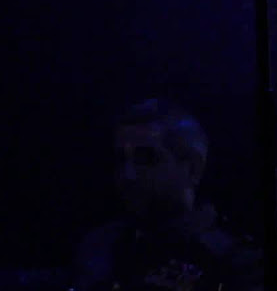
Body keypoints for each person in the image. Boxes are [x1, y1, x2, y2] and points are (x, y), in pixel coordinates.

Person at [70, 98, 262, 291]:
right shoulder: (100, 247)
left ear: (192, 168)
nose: (128, 174)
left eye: (146, 159)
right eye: (121, 159)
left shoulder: (235, 260)